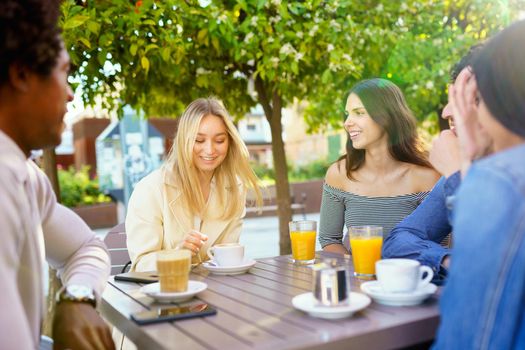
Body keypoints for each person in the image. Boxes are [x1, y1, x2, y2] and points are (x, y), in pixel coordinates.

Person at [0, 1, 114, 349]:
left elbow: (86, 247)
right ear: (22, 74)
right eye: (64, 72)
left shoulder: (27, 178)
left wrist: (76, 297)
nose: (70, 92)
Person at [434, 19, 525, 349]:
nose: (450, 112)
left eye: (472, 98)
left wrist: (463, 175)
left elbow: (469, 339)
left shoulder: (499, 182)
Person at [382, 44, 492, 282]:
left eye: (468, 98)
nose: (446, 112)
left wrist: (455, 172)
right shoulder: (472, 170)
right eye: (452, 97)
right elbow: (398, 240)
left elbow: (494, 270)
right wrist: (448, 261)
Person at [126, 97, 262, 271]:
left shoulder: (235, 188)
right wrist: (178, 255)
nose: (210, 150)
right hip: (166, 292)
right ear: (184, 140)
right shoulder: (150, 189)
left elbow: (227, 256)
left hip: (216, 291)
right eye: (199, 140)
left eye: (219, 140)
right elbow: (140, 265)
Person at [319, 78, 440, 254]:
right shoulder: (338, 174)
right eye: (347, 114)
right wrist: (361, 273)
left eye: (359, 113)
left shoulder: (427, 177)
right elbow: (329, 240)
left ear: (387, 118)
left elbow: (439, 246)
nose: (347, 123)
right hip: (360, 279)